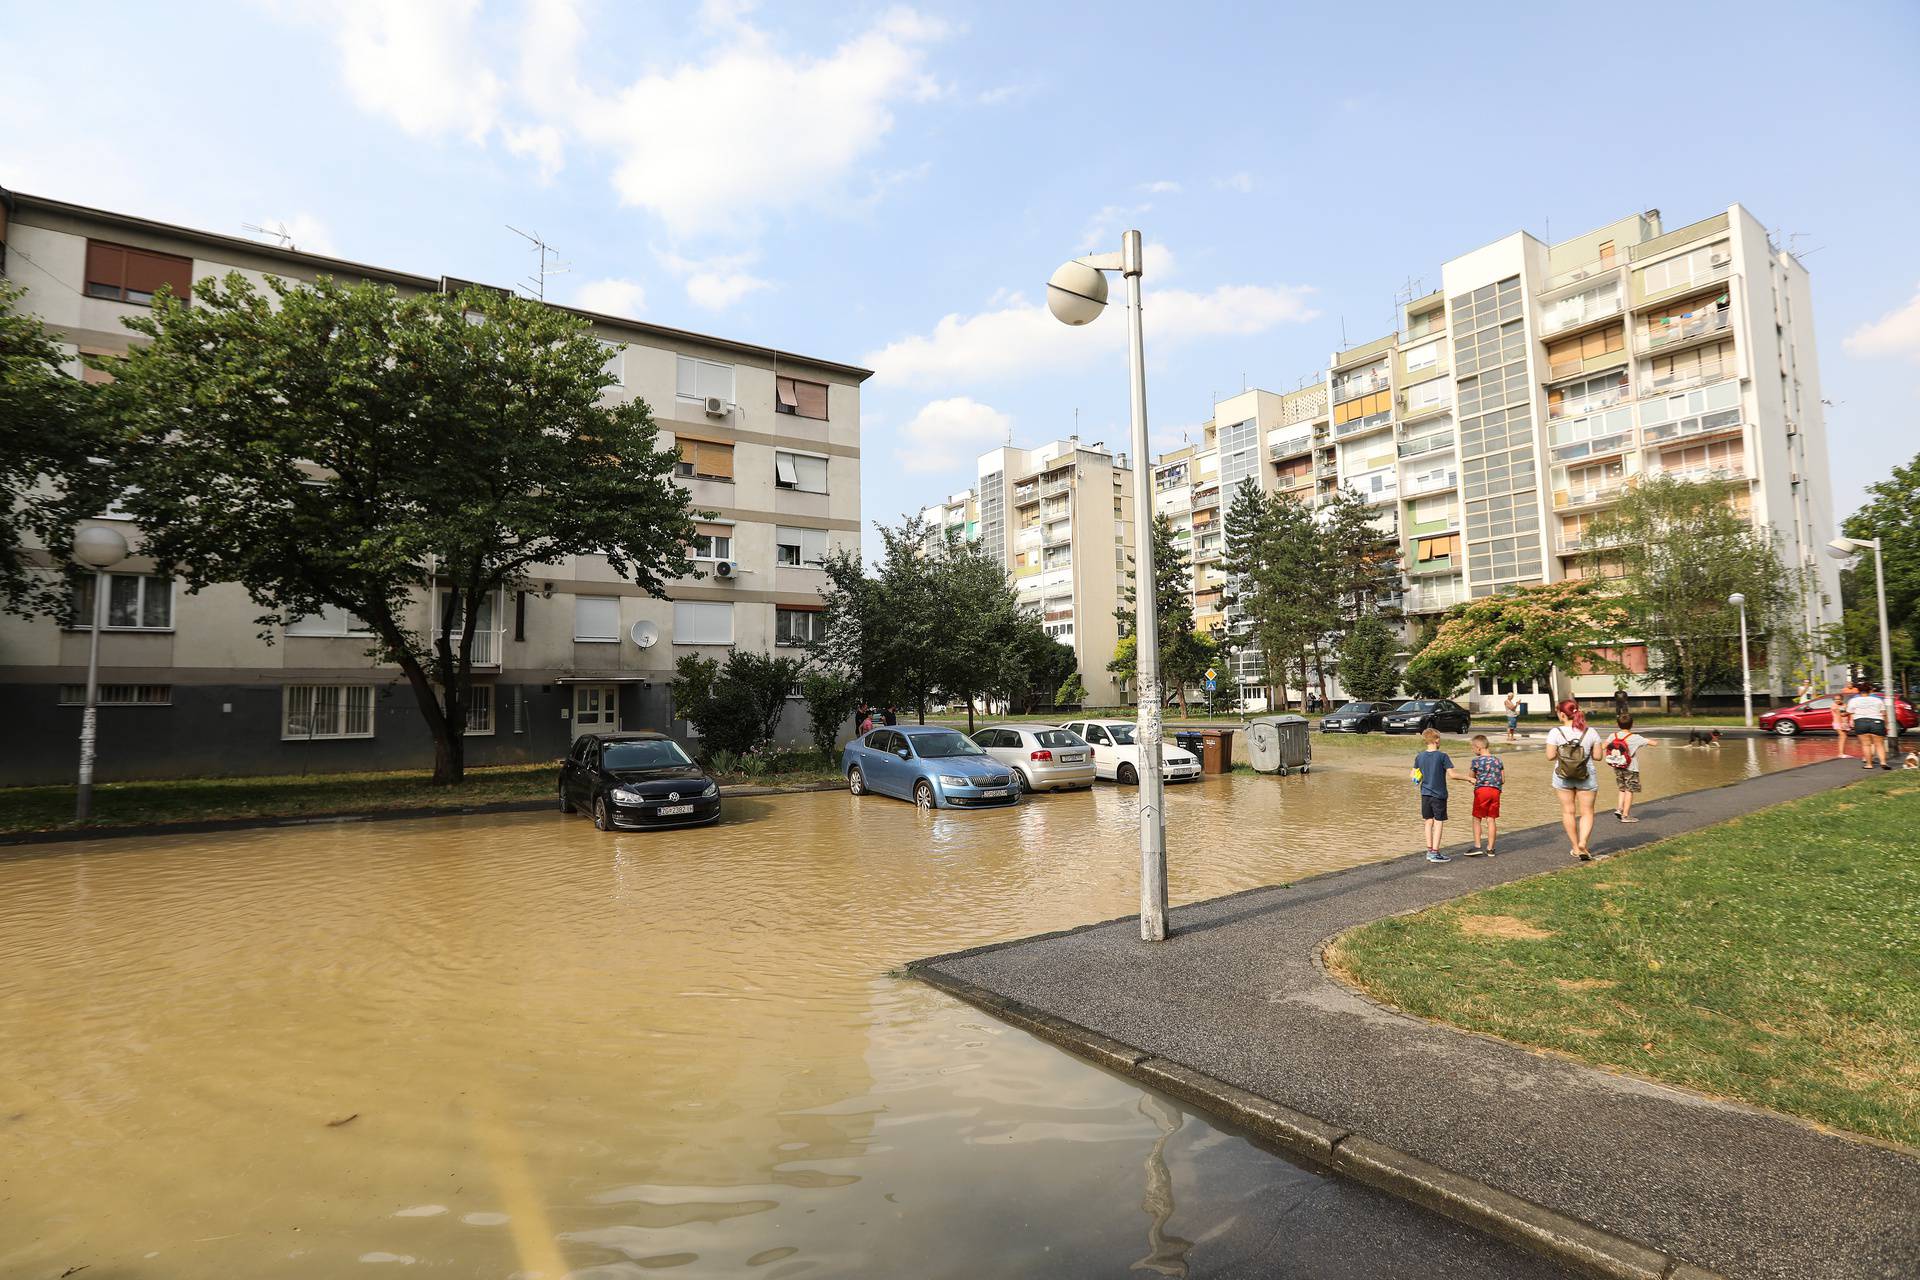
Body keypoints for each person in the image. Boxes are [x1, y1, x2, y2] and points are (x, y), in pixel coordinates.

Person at [1545, 699, 1602, 861]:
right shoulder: (1591, 732)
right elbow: (1598, 757)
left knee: (1568, 811)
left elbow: (1549, 756)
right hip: (1586, 774)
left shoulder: (1555, 732)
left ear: (1562, 714)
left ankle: (1576, 847)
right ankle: (1584, 843)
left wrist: (1565, 755)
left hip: (1563, 776)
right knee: (1587, 812)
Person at [1412, 727, 1467, 864]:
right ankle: (1435, 853)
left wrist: (1420, 777)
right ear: (1436, 740)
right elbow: (1453, 775)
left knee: (1428, 821)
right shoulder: (1443, 756)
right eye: (1439, 738)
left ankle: (1429, 850)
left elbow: (1413, 775)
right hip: (1439, 795)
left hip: (1425, 794)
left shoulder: (1419, 756)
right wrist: (1469, 779)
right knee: (1438, 822)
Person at [1605, 712, 1654, 823]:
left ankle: (1619, 808)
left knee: (1622, 789)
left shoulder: (1613, 736)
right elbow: (1653, 743)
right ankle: (1626, 816)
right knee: (1629, 790)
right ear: (1632, 724)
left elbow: (1604, 746)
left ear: (1618, 724)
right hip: (1631, 768)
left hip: (1617, 766)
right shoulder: (1635, 737)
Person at [1466, 734, 1504, 857]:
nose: (1473, 750)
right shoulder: (1498, 760)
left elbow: (1470, 777)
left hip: (1482, 791)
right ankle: (1490, 848)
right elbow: (1502, 779)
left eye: (1473, 748)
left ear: (1478, 748)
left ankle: (1477, 845)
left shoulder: (1476, 761)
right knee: (1491, 819)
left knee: (1477, 818)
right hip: (1495, 791)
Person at [1847, 682, 1890, 771]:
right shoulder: (1878, 700)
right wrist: (1886, 724)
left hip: (1860, 722)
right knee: (1879, 744)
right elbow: (1884, 713)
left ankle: (1869, 764)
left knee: (1866, 745)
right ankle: (1883, 763)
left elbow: (1849, 712)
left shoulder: (1853, 700)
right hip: (1877, 722)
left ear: (1858, 691)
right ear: (1870, 691)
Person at [1835, 680, 1857, 759]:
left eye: (1839, 699)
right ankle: (1841, 753)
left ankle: (1842, 753)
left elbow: (1844, 713)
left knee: (1843, 737)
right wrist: (1850, 712)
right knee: (1843, 736)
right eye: (1836, 699)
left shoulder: (1843, 704)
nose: (1837, 700)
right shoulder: (1835, 706)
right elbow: (1842, 714)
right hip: (1839, 723)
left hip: (1842, 722)